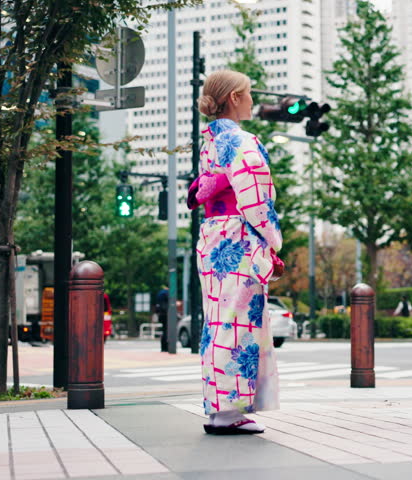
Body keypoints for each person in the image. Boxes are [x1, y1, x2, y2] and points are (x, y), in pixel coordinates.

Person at [190, 70, 284, 434]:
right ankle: (229, 412)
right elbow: (257, 198)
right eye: (246, 94)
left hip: (212, 236)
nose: (250, 100)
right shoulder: (242, 141)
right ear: (233, 98)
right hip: (237, 237)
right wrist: (273, 239)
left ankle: (219, 408)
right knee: (237, 321)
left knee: (218, 321)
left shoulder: (210, 141)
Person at [155, 286, 169, 352]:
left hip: (160, 314)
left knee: (164, 330)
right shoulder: (166, 293)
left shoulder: (160, 293)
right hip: (166, 314)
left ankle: (163, 347)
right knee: (166, 331)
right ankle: (166, 347)